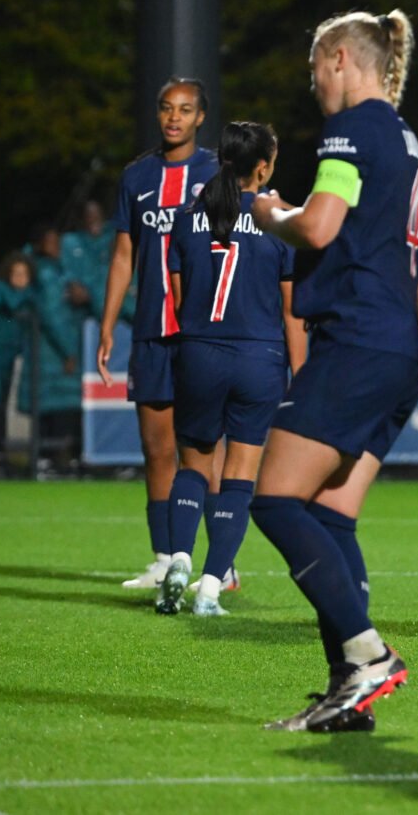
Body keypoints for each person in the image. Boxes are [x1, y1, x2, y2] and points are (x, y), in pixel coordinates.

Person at [248, 8, 418, 732]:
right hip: (399, 348)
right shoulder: (406, 141)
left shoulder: (350, 130)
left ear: (341, 57)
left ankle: (368, 653)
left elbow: (318, 226)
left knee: (276, 500)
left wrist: (269, 212)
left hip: (357, 340)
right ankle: (350, 690)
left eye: (315, 66)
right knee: (329, 514)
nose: (312, 81)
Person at [154, 121, 307, 617]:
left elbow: (177, 299)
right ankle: (211, 589)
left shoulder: (185, 219)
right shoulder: (278, 221)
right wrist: (300, 376)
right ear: (261, 167)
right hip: (259, 358)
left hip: (200, 352)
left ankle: (178, 558)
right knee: (240, 476)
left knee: (194, 467)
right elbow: (292, 312)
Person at [98, 78, 218, 588]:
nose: (174, 117)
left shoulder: (216, 172)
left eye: (185, 110)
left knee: (202, 449)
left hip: (200, 332)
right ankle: (165, 557)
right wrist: (108, 324)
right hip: (151, 328)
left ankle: (219, 562)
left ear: (200, 118)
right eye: (167, 108)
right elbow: (124, 254)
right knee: (156, 449)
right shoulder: (137, 177)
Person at [20, 224, 85, 474]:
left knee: (55, 406)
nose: (56, 247)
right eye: (50, 242)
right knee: (54, 407)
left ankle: (50, 459)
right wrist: (68, 351)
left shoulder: (57, 271)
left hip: (53, 350)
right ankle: (49, 459)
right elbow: (51, 316)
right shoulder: (46, 275)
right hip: (51, 351)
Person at [0, 252, 33, 475]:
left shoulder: (21, 298)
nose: (20, 279)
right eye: (16, 273)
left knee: (0, 405)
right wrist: (29, 291)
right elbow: (12, 301)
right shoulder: (4, 292)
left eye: (25, 275)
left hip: (7, 357)